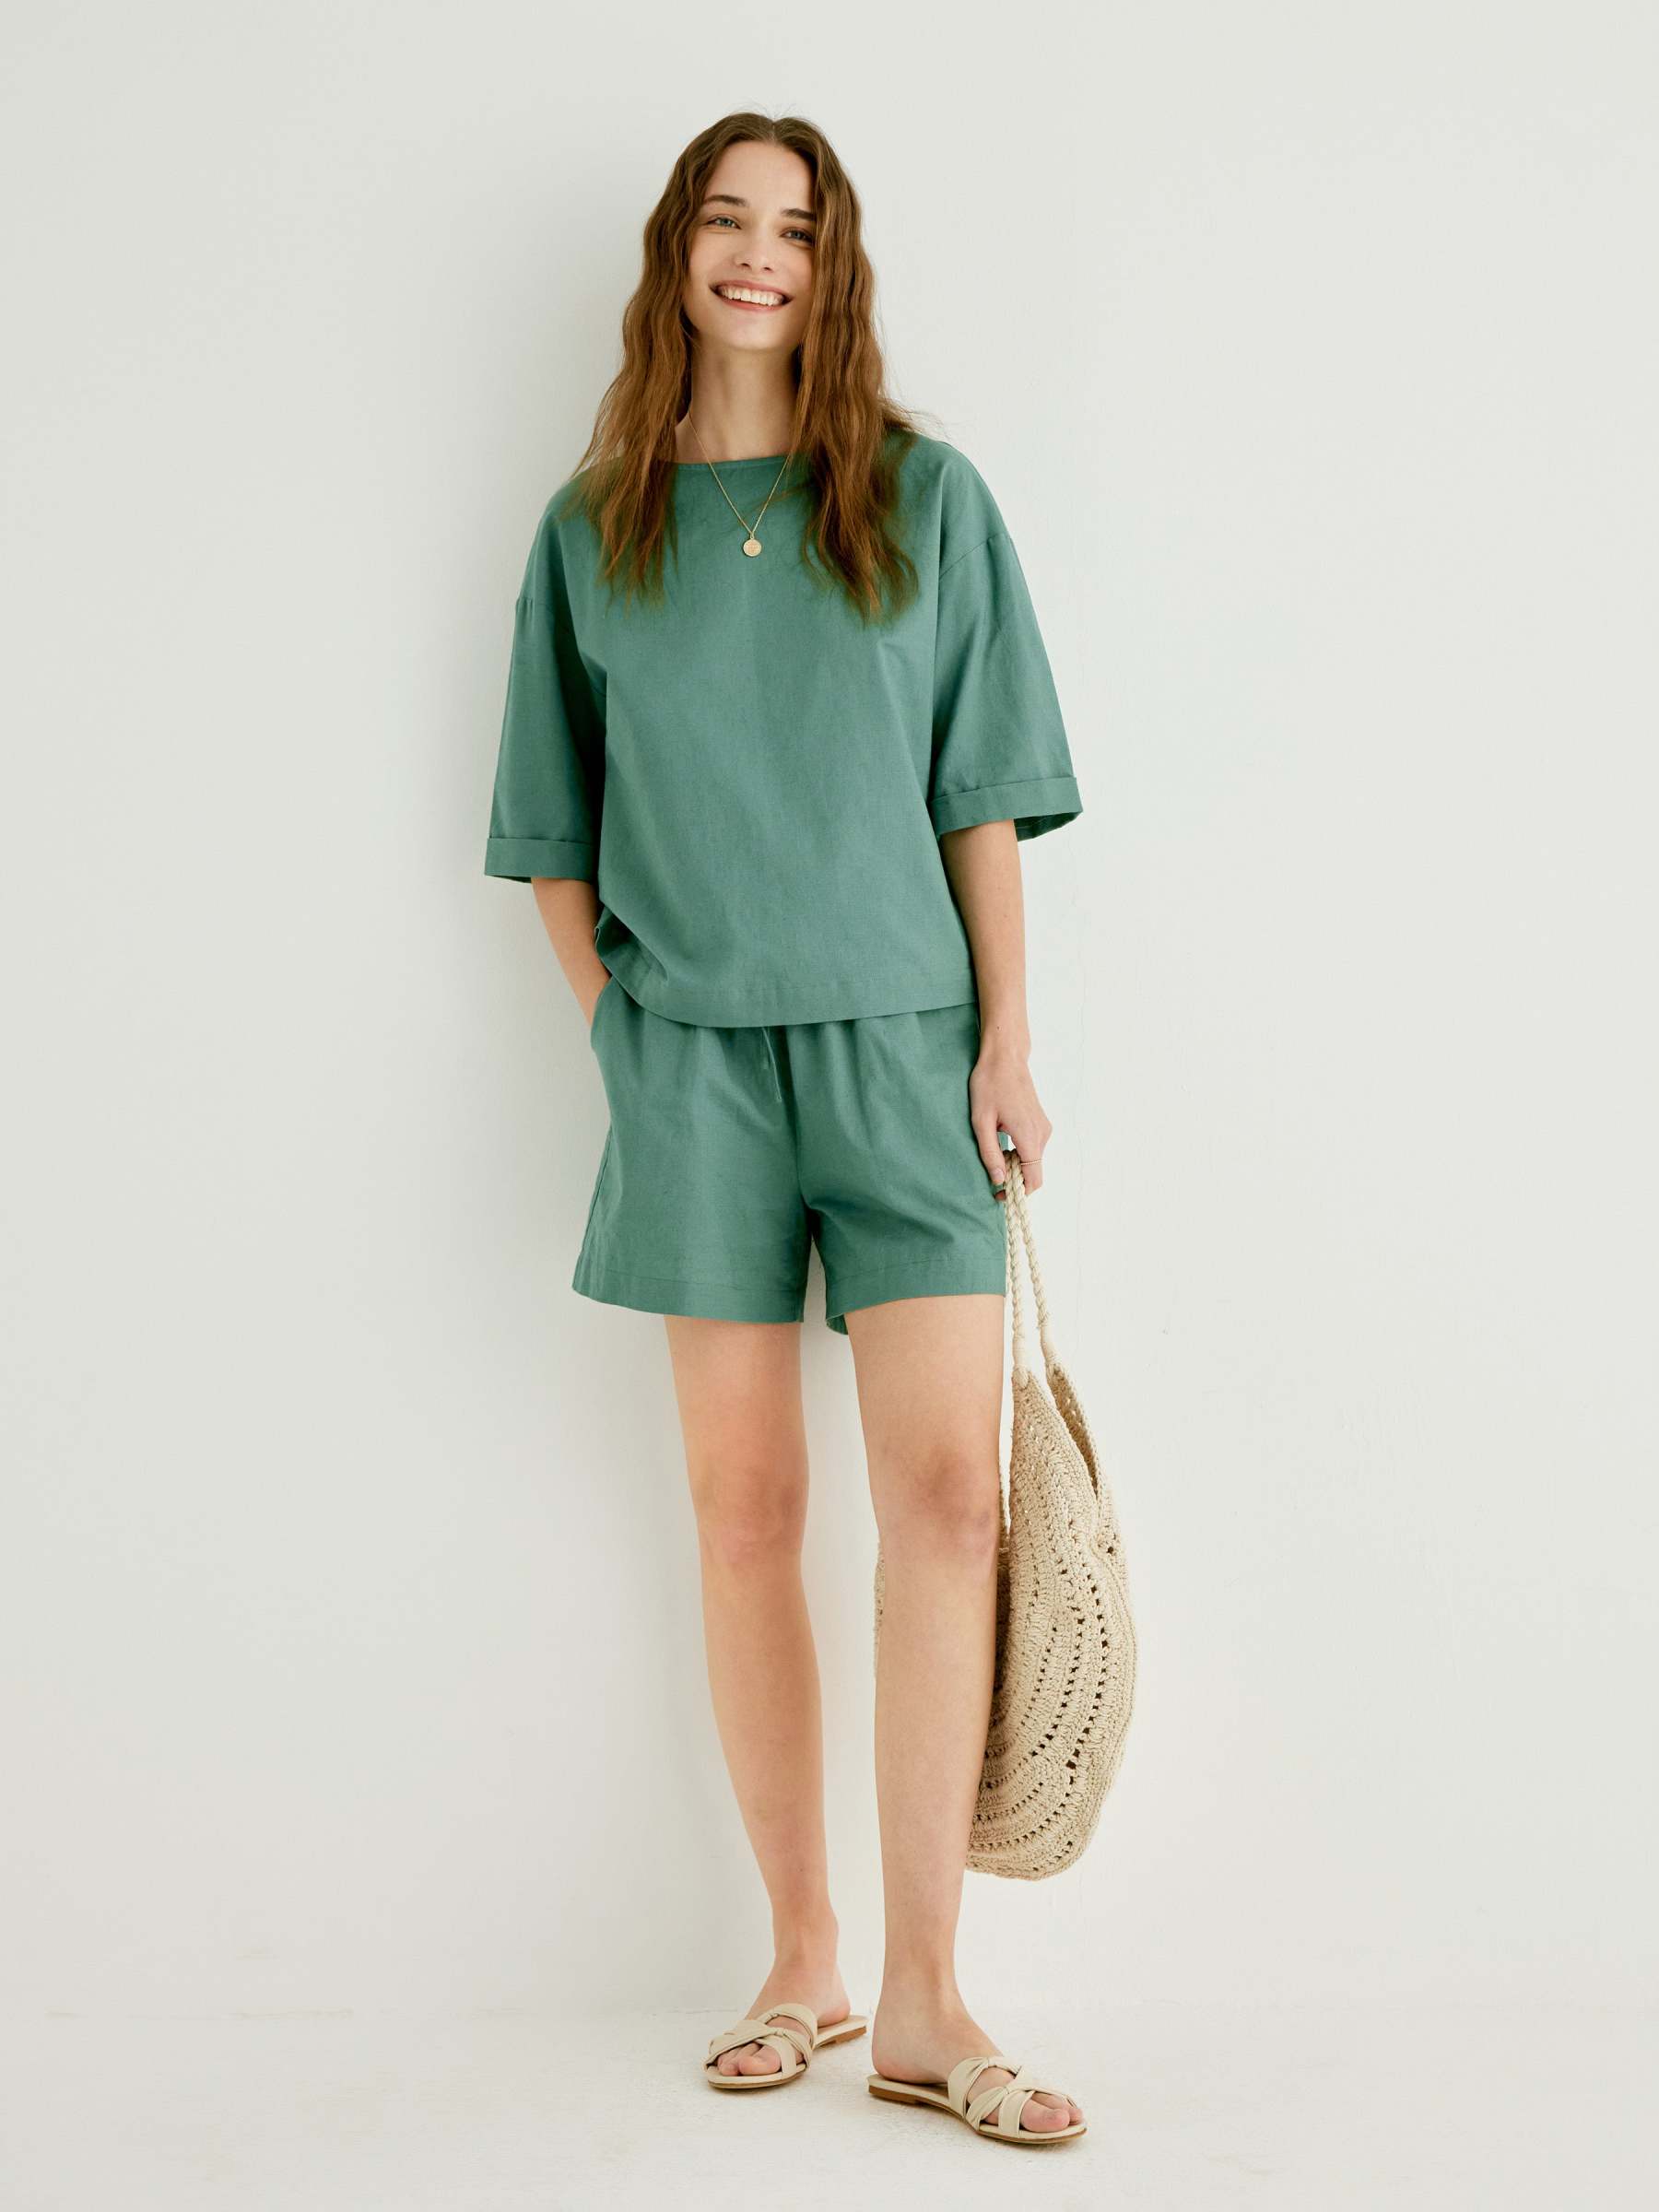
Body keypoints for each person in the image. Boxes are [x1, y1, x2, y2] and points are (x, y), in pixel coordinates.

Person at [484, 111, 1088, 2148]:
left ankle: (926, 1996)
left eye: (799, 230)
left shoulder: (922, 498)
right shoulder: (595, 530)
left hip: (911, 1053)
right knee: (745, 1512)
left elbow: (978, 791)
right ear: (679, 251)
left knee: (950, 1506)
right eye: (730, 221)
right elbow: (551, 833)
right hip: (696, 1074)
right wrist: (623, 1038)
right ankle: (803, 1957)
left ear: (835, 268)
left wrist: (1008, 1039)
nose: (761, 255)